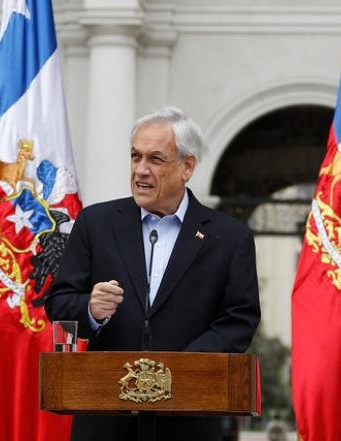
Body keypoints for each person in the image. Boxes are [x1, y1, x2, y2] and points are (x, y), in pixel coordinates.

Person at [44, 106, 260, 441]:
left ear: (187, 166)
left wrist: (176, 371)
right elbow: (58, 303)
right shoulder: (96, 223)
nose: (141, 170)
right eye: (135, 157)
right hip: (105, 418)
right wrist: (91, 309)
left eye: (156, 159)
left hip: (188, 418)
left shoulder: (229, 237)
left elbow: (239, 319)